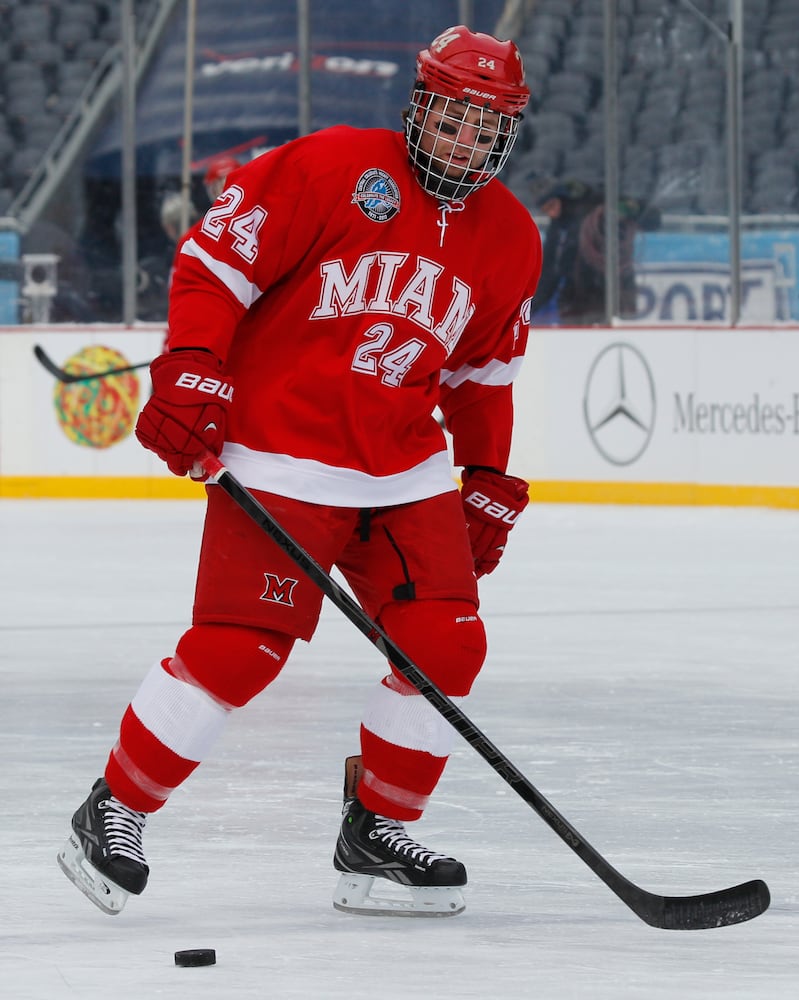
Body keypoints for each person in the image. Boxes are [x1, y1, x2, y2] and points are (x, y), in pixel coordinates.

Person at [57, 24, 541, 919]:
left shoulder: (509, 237)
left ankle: (377, 834)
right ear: (419, 107)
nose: (466, 140)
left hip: (403, 468)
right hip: (280, 452)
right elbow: (216, 264)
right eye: (454, 117)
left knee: (446, 645)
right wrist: (195, 366)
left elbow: (481, 376)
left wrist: (484, 475)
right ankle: (113, 810)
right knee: (241, 651)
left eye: (488, 126)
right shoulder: (328, 168)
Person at [531, 177, 658, 325]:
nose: (551, 213)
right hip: (578, 300)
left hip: (615, 294)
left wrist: (635, 209)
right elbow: (549, 271)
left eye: (552, 205)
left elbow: (653, 220)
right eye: (546, 210)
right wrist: (531, 307)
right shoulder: (558, 228)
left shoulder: (599, 203)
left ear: (561, 197)